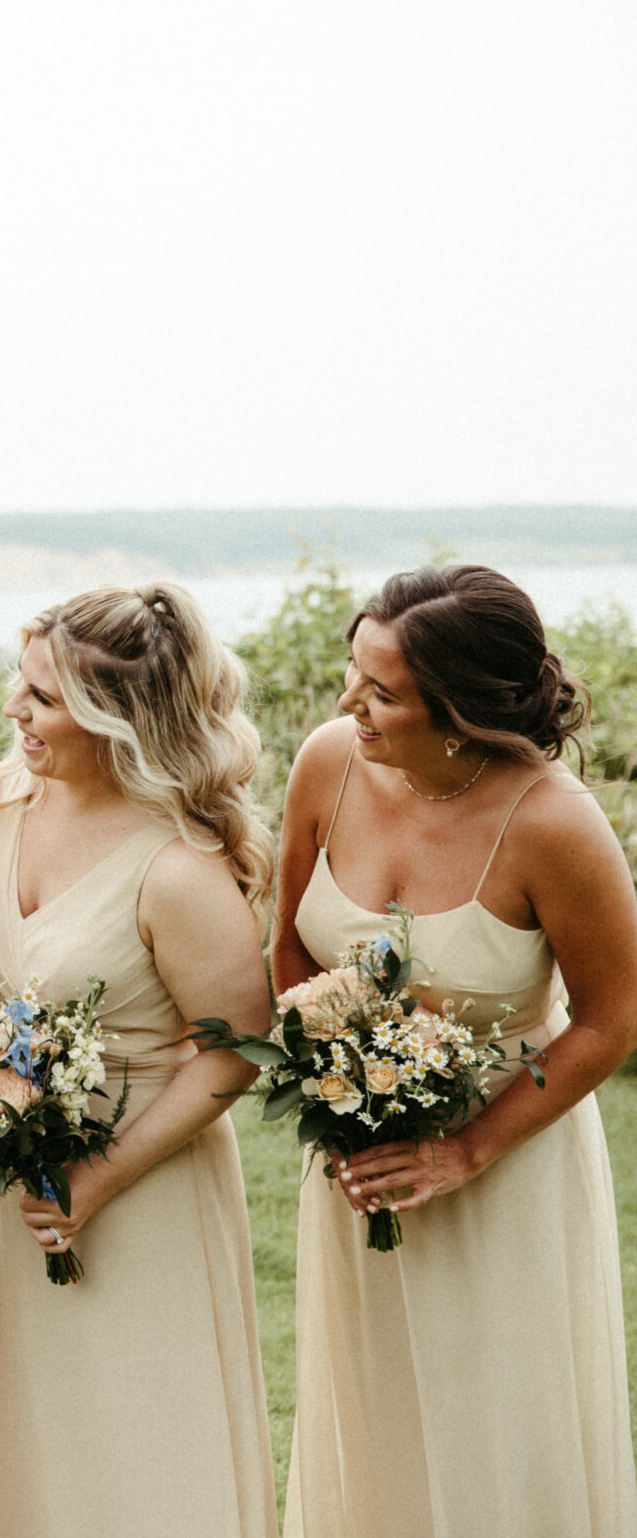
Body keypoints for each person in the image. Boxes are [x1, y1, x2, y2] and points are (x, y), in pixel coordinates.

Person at [274, 564, 637, 1538]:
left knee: (493, 1441)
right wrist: (332, 1092)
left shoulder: (553, 825)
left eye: (379, 692)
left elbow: (612, 1017)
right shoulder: (326, 761)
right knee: (373, 1420)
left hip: (505, 1169)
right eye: (354, 674)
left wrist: (464, 1149)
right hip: (355, 1161)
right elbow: (287, 947)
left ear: (458, 711)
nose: (348, 702)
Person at [0, 584, 276, 1538]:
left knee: (140, 1449)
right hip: (24, 1183)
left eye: (43, 697)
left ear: (115, 718)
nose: (15, 707)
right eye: (22, 683)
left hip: (141, 1195)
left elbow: (236, 1051)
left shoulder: (173, 867)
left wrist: (99, 1174)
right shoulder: (5, 799)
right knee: (38, 1448)